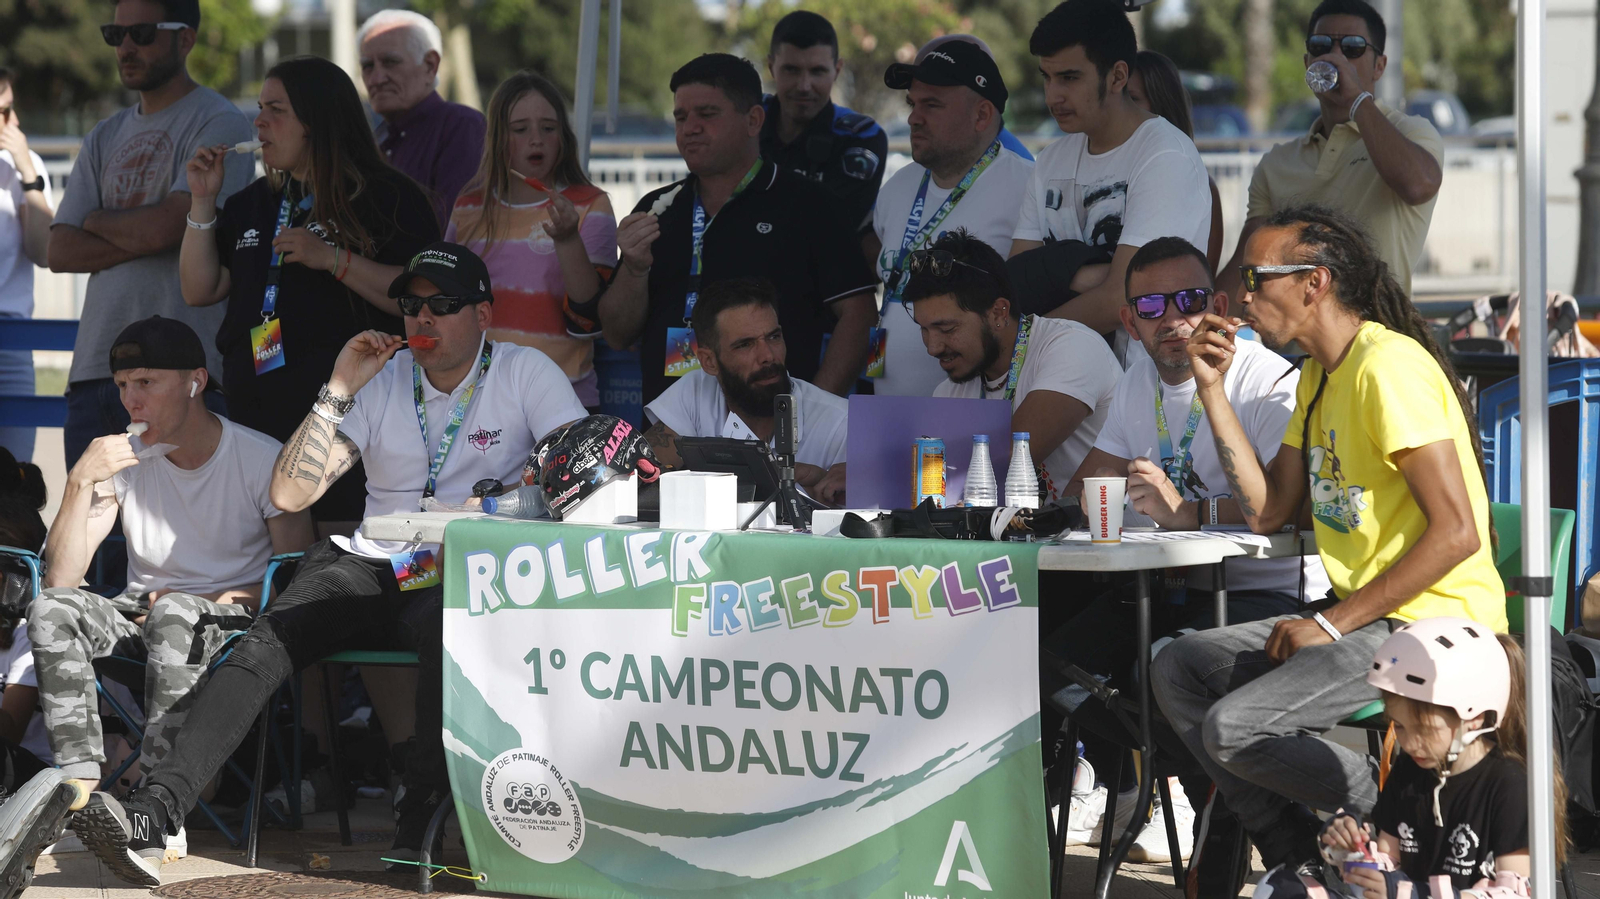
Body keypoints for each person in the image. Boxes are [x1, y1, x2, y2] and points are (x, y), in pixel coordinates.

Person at [70, 244, 586, 885]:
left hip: (467, 564)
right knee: (267, 640)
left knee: (449, 637)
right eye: (410, 305)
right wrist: (340, 388)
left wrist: (495, 512)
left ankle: (417, 823)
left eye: (442, 305)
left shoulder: (525, 372)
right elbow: (290, 493)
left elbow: (579, 477)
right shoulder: (384, 378)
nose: (421, 319)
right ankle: (154, 808)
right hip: (376, 560)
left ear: (483, 314)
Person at [1151, 205, 1507, 889]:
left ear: (1314, 283)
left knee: (1230, 727)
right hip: (1366, 617)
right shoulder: (1317, 374)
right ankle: (1300, 849)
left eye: (1257, 278)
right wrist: (1211, 389)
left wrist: (1328, 622)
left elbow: (1458, 530)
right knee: (1177, 667)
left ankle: (1393, 814)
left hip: (1433, 622)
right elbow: (1268, 509)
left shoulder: (1386, 369)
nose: (1243, 296)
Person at [1047, 237, 1329, 864]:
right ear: (1130, 321)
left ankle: (1219, 796)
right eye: (1151, 304)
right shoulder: (1138, 379)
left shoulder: (1270, 379)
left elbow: (1283, 511)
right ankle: (1191, 780)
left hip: (1264, 592)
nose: (1174, 318)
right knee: (1051, 660)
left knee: (1166, 671)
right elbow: (1084, 487)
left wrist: (1187, 509)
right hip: (1168, 587)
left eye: (1191, 300)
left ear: (1219, 305)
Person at [14, 316, 313, 872]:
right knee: (53, 608)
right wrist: (80, 480)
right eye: (123, 385)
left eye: (145, 382)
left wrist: (227, 597)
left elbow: (294, 576)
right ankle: (76, 791)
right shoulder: (123, 460)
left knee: (176, 613)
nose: (130, 398)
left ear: (196, 381)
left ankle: (153, 810)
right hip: (141, 618)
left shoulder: (259, 456)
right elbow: (59, 578)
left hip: (232, 628)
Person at [180, 55, 440, 529]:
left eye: (276, 109)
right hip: (257, 419)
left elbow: (419, 297)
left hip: (348, 427)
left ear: (317, 121)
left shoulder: (388, 197)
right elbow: (200, 288)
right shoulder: (253, 202)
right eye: (259, 107)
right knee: (271, 566)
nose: (259, 122)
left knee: (334, 561)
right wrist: (201, 200)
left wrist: (334, 259)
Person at [595, 53, 878, 405]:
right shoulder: (657, 208)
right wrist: (635, 270)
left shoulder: (808, 203)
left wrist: (812, 410)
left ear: (754, 120)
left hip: (773, 439)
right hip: (669, 439)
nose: (690, 127)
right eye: (680, 117)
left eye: (707, 114)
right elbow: (618, 335)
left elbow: (859, 313)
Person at [48, 0, 253, 469]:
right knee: (93, 537)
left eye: (141, 34)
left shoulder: (218, 121)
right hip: (95, 371)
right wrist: (149, 229)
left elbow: (171, 226)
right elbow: (59, 249)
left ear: (185, 38)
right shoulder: (104, 134)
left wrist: (98, 219)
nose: (125, 47)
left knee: (179, 540)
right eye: (114, 35)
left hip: (176, 372)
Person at [1265, 619, 1548, 898]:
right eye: (1398, 726)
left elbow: (1514, 893)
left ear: (1474, 717)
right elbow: (1386, 866)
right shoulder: (1410, 766)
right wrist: (1349, 850)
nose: (1410, 743)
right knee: (1278, 889)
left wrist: (1411, 893)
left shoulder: (1511, 783)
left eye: (1425, 729)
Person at [1010, 0, 1212, 336]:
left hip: (1141, 381)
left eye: (1069, 78)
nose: (1052, 96)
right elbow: (1014, 281)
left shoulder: (1165, 155)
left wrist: (1023, 337)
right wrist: (1095, 273)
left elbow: (1124, 298)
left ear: (1117, 76)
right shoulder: (1049, 160)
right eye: (1046, 77)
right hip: (1059, 380)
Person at [1219, 0, 1441, 301]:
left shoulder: (1411, 132)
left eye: (1352, 48)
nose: (1336, 57)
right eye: (1322, 45)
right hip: (1294, 347)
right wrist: (1199, 317)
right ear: (1308, 61)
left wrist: (1357, 100)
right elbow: (1247, 267)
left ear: (1380, 66)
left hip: (1378, 341)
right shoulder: (1276, 163)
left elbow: (1419, 186)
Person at [868, 38, 1034, 399]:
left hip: (974, 417)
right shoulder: (897, 187)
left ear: (982, 115)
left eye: (932, 104)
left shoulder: (1028, 186)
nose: (913, 117)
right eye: (913, 103)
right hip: (888, 412)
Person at [903, 228, 1119, 503]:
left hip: (1109, 539)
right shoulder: (948, 392)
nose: (932, 347)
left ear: (998, 312)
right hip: (1025, 542)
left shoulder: (1072, 346)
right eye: (923, 329)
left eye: (946, 328)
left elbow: (1014, 456)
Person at [446, 71, 617, 409]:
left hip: (563, 397)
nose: (536, 139)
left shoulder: (589, 204)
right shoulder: (469, 207)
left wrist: (567, 239)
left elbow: (589, 318)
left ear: (564, 138)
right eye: (520, 129)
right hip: (480, 399)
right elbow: (448, 301)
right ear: (498, 138)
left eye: (549, 128)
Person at [643, 278, 847, 498]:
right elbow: (640, 479)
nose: (768, 356)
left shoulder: (842, 422)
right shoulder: (695, 390)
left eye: (774, 337)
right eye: (745, 345)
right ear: (709, 362)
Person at [760, 11, 888, 243]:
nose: (804, 86)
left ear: (837, 70)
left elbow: (830, 230)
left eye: (817, 71)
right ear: (771, 67)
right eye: (791, 69)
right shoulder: (745, 121)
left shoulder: (862, 137)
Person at [358, 8, 487, 228]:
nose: (377, 78)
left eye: (390, 62)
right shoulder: (375, 140)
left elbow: (452, 235)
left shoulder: (462, 127)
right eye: (367, 66)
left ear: (430, 65)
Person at [1127, 51, 1224, 272]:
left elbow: (1203, 283)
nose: (1118, 109)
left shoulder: (1201, 187)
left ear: (1161, 104)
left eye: (1131, 99)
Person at [0, 68, 54, 463]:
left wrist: (28, 175)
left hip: (11, 342)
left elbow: (44, 252)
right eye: (4, 112)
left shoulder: (24, 166)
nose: (14, 123)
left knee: (16, 487)